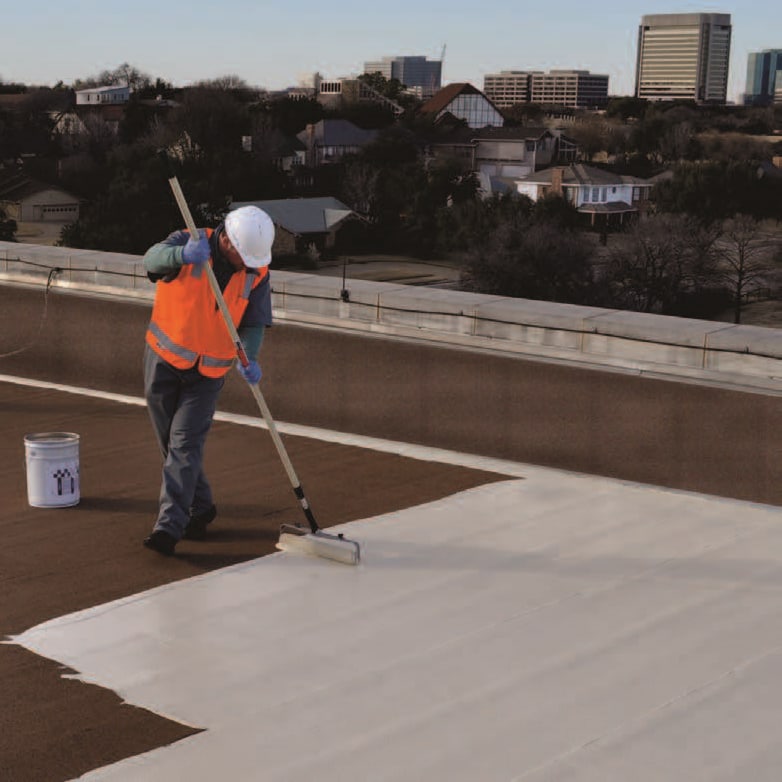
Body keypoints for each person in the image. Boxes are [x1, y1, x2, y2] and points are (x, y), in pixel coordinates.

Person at [142, 205, 275, 556]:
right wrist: (180, 255)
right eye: (244, 256)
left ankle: (169, 527)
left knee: (183, 445)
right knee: (171, 446)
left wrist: (251, 356)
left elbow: (254, 322)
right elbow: (151, 262)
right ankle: (201, 508)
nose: (248, 264)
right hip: (164, 359)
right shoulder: (189, 240)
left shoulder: (257, 272)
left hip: (208, 374)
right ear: (227, 240)